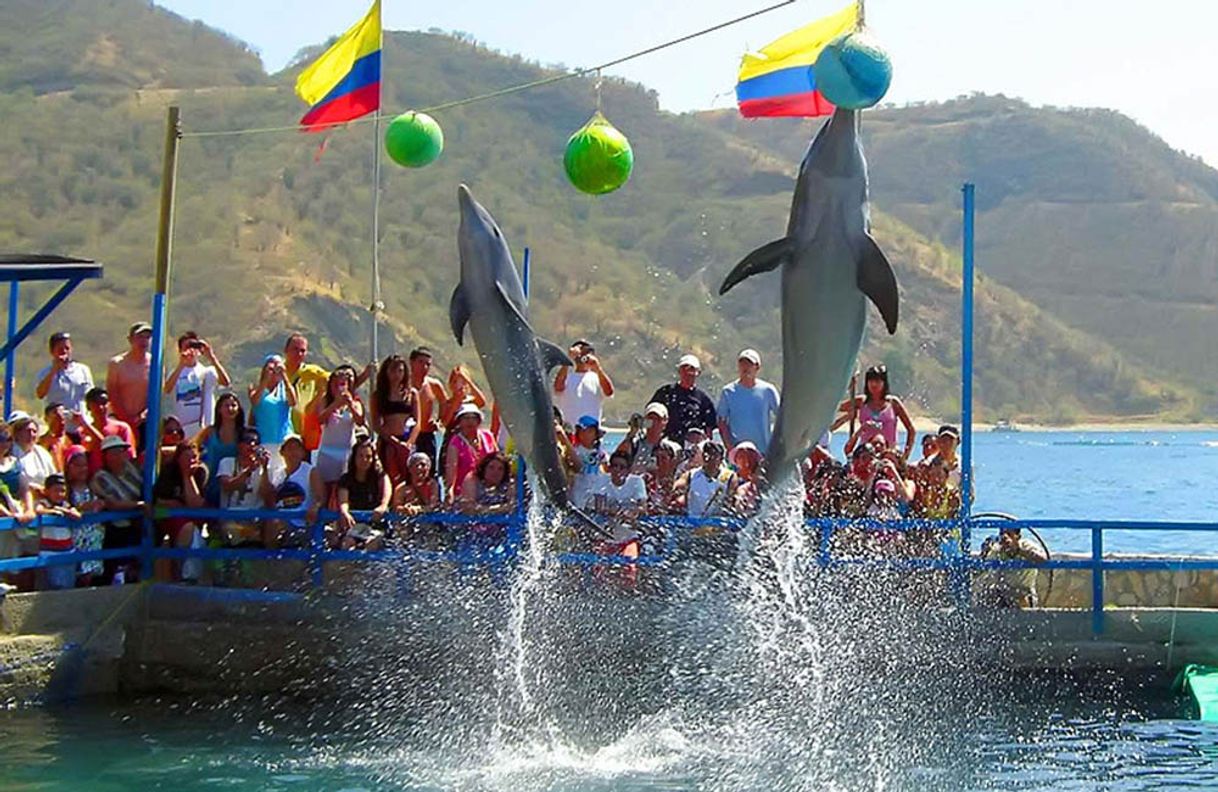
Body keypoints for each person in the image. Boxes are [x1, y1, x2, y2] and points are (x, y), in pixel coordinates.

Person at [90, 435, 144, 584]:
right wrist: (138, 505)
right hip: (114, 529)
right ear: (106, 456)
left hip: (136, 526)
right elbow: (112, 503)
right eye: (116, 451)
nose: (121, 454)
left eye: (122, 451)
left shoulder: (133, 470)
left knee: (135, 565)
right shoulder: (100, 478)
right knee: (111, 567)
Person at [153, 441, 208, 582]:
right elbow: (159, 502)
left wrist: (187, 476)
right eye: (186, 457)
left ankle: (184, 570)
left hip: (191, 516)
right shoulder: (169, 471)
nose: (191, 461)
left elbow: (195, 505)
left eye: (194, 457)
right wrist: (175, 506)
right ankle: (178, 566)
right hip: (164, 514)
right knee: (158, 514)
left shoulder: (201, 472)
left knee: (190, 527)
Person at [836, 364, 916, 461]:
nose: (874, 384)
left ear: (884, 383)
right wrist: (849, 416)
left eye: (877, 381)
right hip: (865, 455)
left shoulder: (893, 403)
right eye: (871, 381)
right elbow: (836, 407)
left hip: (888, 455)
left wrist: (905, 456)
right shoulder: (861, 401)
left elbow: (911, 430)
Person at [164, 331, 231, 439]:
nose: (190, 351)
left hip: (204, 425)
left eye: (193, 346)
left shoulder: (207, 371)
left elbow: (226, 382)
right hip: (183, 426)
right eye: (186, 347)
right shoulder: (175, 372)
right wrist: (182, 364)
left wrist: (211, 357)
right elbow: (167, 389)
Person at [311, 365, 367, 494]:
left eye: (341, 384)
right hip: (327, 452)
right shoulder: (325, 401)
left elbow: (360, 421)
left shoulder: (355, 403)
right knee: (325, 488)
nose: (338, 387)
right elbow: (320, 420)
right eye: (335, 384)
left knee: (344, 487)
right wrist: (335, 404)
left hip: (347, 453)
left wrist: (350, 405)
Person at [215, 428, 272, 548]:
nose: (251, 445)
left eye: (255, 442)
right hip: (232, 518)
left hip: (255, 519)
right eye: (247, 441)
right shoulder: (227, 463)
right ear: (238, 444)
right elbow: (227, 486)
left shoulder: (264, 468)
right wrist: (248, 471)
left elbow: (268, 498)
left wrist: (265, 469)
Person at [265, 435, 323, 550]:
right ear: (282, 452)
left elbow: (320, 497)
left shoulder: (310, 471)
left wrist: (315, 507)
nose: (294, 452)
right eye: (290, 448)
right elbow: (269, 499)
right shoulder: (278, 473)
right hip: (281, 523)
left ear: (303, 452)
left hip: (302, 524)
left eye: (297, 448)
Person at [716, 349, 780, 454]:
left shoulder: (768, 390)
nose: (745, 367)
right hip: (739, 453)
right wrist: (730, 448)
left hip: (764, 452)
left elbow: (781, 416)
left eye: (749, 364)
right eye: (742, 363)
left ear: (757, 367)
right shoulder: (728, 391)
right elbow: (722, 422)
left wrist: (777, 444)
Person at [333, 438, 392, 551]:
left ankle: (369, 568)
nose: (364, 459)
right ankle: (350, 568)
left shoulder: (379, 475)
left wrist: (383, 506)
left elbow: (387, 490)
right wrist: (344, 511)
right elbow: (343, 500)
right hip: (355, 525)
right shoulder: (346, 479)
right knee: (347, 544)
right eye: (360, 456)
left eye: (368, 456)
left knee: (372, 543)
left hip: (375, 525)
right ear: (354, 457)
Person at [372, 354, 420, 485]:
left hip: (407, 440)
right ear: (386, 372)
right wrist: (394, 442)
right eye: (393, 370)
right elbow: (376, 424)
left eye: (400, 371)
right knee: (389, 475)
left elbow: (417, 422)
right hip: (388, 441)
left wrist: (409, 443)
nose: (397, 375)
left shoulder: (411, 394)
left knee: (408, 476)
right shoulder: (378, 395)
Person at [648, 354, 717, 442]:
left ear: (698, 373)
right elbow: (649, 418)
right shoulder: (665, 392)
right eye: (684, 369)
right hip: (666, 446)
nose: (688, 373)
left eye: (692, 369)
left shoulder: (703, 399)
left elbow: (709, 428)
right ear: (679, 371)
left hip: (691, 447)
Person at [248, 354, 297, 480]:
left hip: (283, 440)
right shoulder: (258, 389)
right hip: (264, 441)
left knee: (282, 476)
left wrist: (284, 377)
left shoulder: (284, 389)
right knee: (264, 477)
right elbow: (255, 402)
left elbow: (293, 402)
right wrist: (266, 379)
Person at [34, 331, 92, 433]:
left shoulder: (83, 370)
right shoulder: (44, 373)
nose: (65, 352)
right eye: (60, 350)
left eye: (67, 349)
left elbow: (89, 395)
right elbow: (40, 394)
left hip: (81, 426)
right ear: (52, 352)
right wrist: (54, 371)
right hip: (59, 429)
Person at [106, 322, 152, 446]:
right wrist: (127, 419)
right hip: (119, 420)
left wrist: (143, 415)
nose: (144, 341)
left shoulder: (155, 364)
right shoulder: (117, 363)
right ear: (130, 339)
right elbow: (112, 393)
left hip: (145, 422)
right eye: (140, 337)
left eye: (147, 337)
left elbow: (158, 393)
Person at [63, 445, 104, 586]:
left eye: (85, 465)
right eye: (78, 465)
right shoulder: (66, 489)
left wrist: (101, 504)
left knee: (89, 574)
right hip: (74, 536)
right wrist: (81, 508)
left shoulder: (93, 487)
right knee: (74, 573)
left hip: (92, 535)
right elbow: (64, 508)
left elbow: (106, 501)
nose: (83, 469)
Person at [195, 392, 244, 506]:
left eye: (233, 405)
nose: (230, 409)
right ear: (219, 409)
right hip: (209, 481)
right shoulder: (210, 431)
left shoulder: (242, 433)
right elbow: (192, 446)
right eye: (226, 405)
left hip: (231, 481)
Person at [34, 472, 81, 590]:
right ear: (47, 491)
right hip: (48, 552)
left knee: (67, 586)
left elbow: (77, 515)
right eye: (56, 490)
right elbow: (39, 510)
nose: (60, 494)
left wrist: (66, 511)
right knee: (49, 586)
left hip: (67, 552)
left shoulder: (66, 505)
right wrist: (52, 512)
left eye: (62, 491)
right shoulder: (44, 503)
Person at [981, 527, 1049, 607]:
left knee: (1019, 597)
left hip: (1025, 592)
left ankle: (1025, 617)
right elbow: (983, 567)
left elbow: (1043, 559)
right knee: (988, 594)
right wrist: (985, 552)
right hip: (1004, 591)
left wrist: (1018, 550)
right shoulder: (998, 551)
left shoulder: (1026, 545)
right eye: (1002, 535)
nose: (1005, 539)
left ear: (1018, 536)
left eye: (1009, 535)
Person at [458, 452, 516, 545]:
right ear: (484, 468)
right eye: (491, 467)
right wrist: (498, 509)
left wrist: (485, 510)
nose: (495, 472)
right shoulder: (472, 479)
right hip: (470, 530)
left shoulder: (508, 484)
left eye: (500, 469)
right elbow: (468, 508)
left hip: (499, 533)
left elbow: (512, 507)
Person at [444, 404, 497, 503]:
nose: (470, 421)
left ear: (478, 421)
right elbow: (451, 469)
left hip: (488, 489)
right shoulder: (456, 442)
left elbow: (498, 460)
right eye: (465, 418)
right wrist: (449, 491)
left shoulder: (488, 436)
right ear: (459, 422)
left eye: (473, 418)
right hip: (465, 492)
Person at [553, 339, 614, 425]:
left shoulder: (597, 377)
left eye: (587, 352)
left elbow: (609, 392)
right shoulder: (567, 377)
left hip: (591, 432)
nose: (583, 356)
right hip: (570, 433)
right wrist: (567, 360)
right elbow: (558, 388)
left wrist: (598, 368)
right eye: (581, 353)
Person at [407, 347, 448, 471]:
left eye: (427, 364)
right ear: (412, 362)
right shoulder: (404, 383)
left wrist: (439, 421)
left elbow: (444, 402)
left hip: (427, 434)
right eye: (420, 362)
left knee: (429, 472)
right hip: (407, 434)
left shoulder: (433, 385)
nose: (424, 367)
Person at [674, 440, 737, 518]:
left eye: (714, 455)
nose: (710, 458)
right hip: (694, 522)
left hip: (716, 524)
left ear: (721, 459)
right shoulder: (691, 475)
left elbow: (730, 502)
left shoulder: (729, 476)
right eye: (708, 453)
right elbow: (675, 488)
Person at [80, 387, 136, 474]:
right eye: (96, 403)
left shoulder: (122, 428)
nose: (100, 407)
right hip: (95, 479)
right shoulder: (83, 431)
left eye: (104, 402)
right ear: (88, 406)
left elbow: (129, 455)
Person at [393, 452, 442, 548]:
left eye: (423, 465)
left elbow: (433, 505)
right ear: (410, 468)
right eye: (415, 465)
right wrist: (405, 509)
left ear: (428, 468)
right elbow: (396, 507)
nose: (419, 468)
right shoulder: (401, 488)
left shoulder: (433, 485)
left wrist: (418, 509)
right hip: (406, 525)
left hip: (428, 525)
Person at [565, 415, 608, 510]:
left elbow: (606, 470)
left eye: (590, 432)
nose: (585, 434)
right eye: (582, 431)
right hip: (579, 491)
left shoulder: (600, 452)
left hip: (595, 491)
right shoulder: (575, 451)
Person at [9, 411, 56, 494]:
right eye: (27, 431)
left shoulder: (43, 453)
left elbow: (53, 479)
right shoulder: (8, 452)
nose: (31, 435)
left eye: (34, 431)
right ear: (17, 433)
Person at [616, 402, 668, 475]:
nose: (653, 422)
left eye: (657, 419)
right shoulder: (635, 444)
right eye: (650, 418)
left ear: (665, 422)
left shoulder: (668, 448)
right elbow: (618, 456)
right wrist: (632, 433)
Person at [643, 439, 683, 516]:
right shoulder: (647, 480)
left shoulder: (680, 482)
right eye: (656, 457)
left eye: (663, 458)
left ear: (673, 461)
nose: (659, 462)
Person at [728, 441, 764, 516]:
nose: (746, 460)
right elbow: (737, 505)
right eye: (741, 457)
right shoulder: (735, 480)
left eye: (749, 456)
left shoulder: (764, 478)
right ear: (736, 460)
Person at [37, 403, 72, 472]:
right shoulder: (41, 442)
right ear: (46, 419)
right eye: (56, 416)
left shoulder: (69, 441)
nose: (61, 420)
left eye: (63, 415)